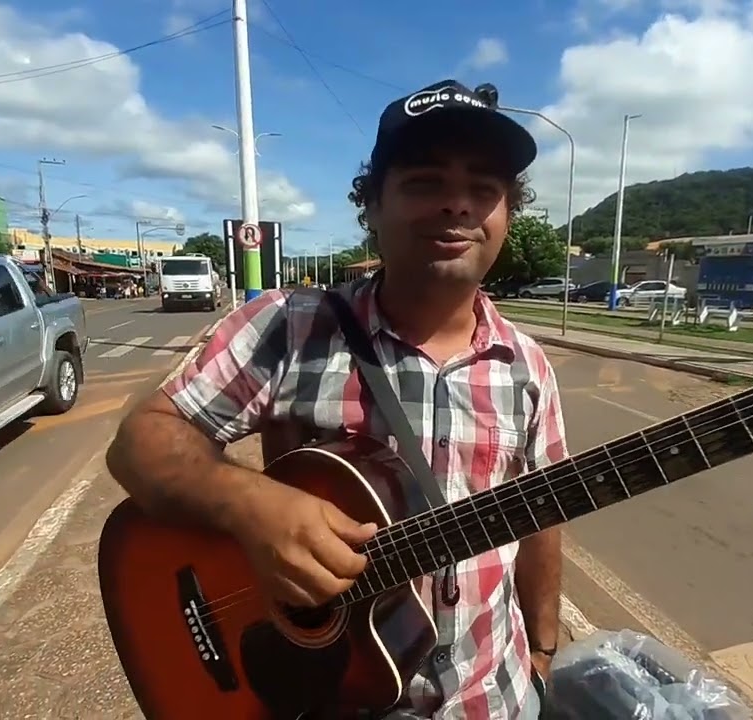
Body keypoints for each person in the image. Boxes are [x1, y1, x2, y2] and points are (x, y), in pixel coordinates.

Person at [106, 79, 568, 719]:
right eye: (425, 182)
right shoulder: (289, 326)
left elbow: (540, 518)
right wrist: (251, 506)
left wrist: (541, 653)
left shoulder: (528, 368)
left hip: (496, 699)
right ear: (372, 207)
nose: (457, 206)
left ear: (506, 215)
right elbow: (140, 440)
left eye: (483, 189)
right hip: (327, 699)